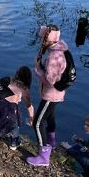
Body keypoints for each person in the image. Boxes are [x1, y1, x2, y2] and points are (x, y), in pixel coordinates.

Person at [27, 25, 68, 166]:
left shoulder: (54, 56)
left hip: (51, 94)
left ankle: (43, 156)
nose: (41, 41)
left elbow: (50, 81)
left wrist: (38, 70)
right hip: (57, 93)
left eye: (43, 38)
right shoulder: (60, 50)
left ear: (49, 39)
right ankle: (52, 142)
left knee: (37, 123)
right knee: (50, 117)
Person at [0, 66, 34, 150]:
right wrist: (32, 119)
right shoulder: (24, 89)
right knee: (15, 125)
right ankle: (13, 144)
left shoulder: (6, 79)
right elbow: (29, 106)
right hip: (10, 111)